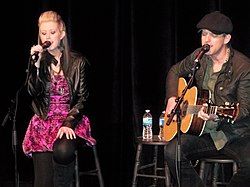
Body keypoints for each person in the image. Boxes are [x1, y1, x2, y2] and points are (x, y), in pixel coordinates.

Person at [164, 11, 250, 187]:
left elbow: (246, 109)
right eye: (204, 34)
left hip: (234, 134)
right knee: (172, 152)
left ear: (226, 39)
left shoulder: (243, 67)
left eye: (213, 35)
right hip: (205, 132)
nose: (206, 40)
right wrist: (172, 97)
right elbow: (175, 71)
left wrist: (217, 115)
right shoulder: (199, 58)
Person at [22, 10, 96, 187]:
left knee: (63, 151)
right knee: (44, 181)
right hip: (44, 120)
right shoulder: (39, 61)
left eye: (52, 32)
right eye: (43, 33)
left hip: (71, 119)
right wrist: (36, 67)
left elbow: (83, 98)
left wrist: (69, 122)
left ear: (62, 34)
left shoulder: (79, 62)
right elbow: (32, 92)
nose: (47, 36)